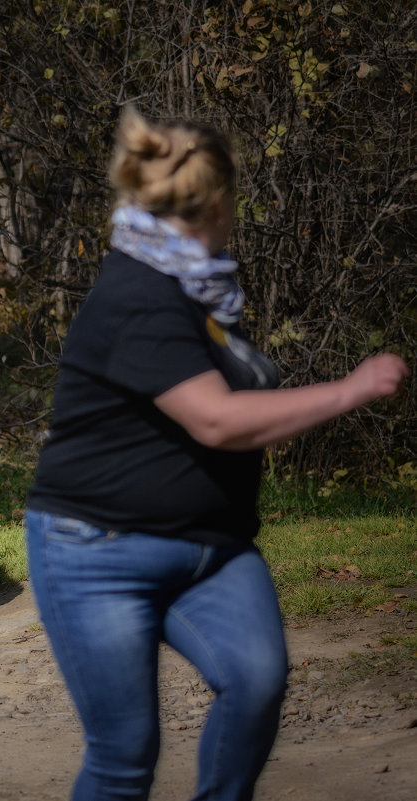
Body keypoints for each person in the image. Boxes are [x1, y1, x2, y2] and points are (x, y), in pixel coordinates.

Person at [23, 105, 408, 801]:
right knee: (124, 756)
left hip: (212, 548)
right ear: (221, 200)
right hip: (97, 551)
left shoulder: (203, 292)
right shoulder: (139, 292)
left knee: (256, 680)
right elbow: (218, 420)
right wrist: (348, 390)